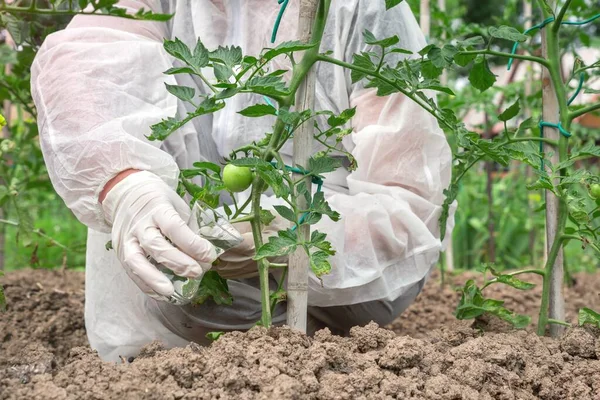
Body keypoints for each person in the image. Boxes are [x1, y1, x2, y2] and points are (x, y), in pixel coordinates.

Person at [31, 0, 454, 362]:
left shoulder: (357, 10)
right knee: (127, 185)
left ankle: (309, 361)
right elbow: (83, 66)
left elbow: (410, 207)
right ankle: (148, 368)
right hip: (173, 301)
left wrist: (292, 236)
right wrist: (127, 185)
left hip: (342, 300)